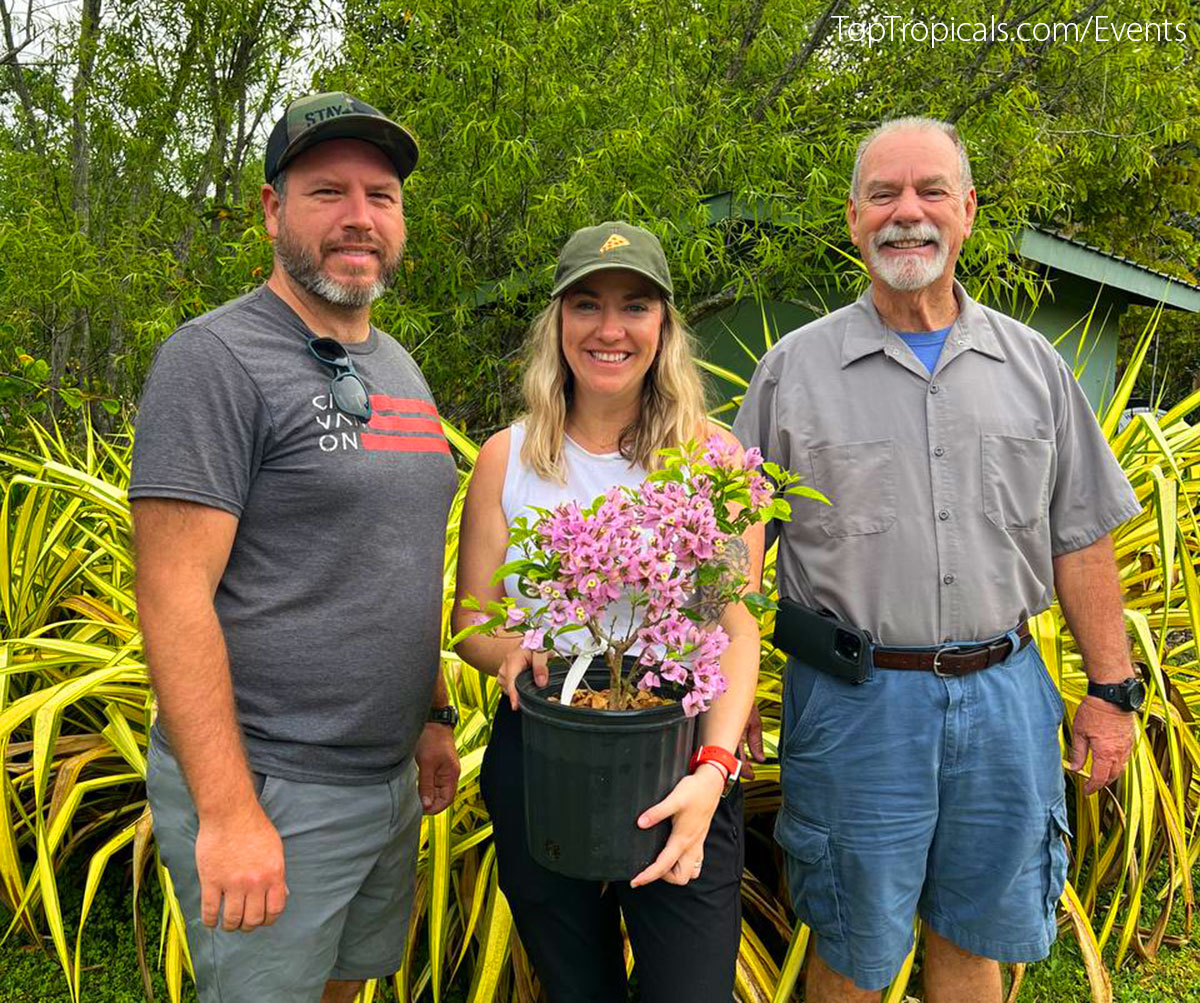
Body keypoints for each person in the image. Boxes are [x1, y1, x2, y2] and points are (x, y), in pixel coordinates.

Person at [733, 117, 1143, 1003]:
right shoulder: (791, 374)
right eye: (883, 194)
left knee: (976, 933)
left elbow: (1082, 536)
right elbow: (737, 564)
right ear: (852, 217)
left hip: (1006, 702)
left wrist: (1111, 691)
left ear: (966, 210)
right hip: (852, 708)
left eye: (928, 193)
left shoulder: (1033, 366)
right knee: (851, 946)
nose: (905, 214)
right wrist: (722, 706)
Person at [131, 91, 461, 1003]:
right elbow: (170, 593)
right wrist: (232, 814)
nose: (359, 216)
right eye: (328, 192)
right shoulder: (216, 360)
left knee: (344, 987)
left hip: (383, 775)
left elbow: (392, 557)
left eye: (381, 196)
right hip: (272, 780)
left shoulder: (396, 365)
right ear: (273, 210)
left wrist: (431, 710)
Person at [452, 221, 763, 1002]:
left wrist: (714, 771)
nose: (610, 329)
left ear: (665, 327)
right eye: (586, 304)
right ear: (557, 323)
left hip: (677, 757)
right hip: (544, 752)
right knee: (573, 985)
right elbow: (469, 621)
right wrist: (506, 652)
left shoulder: (714, 463)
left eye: (636, 306)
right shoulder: (509, 457)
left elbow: (732, 629)